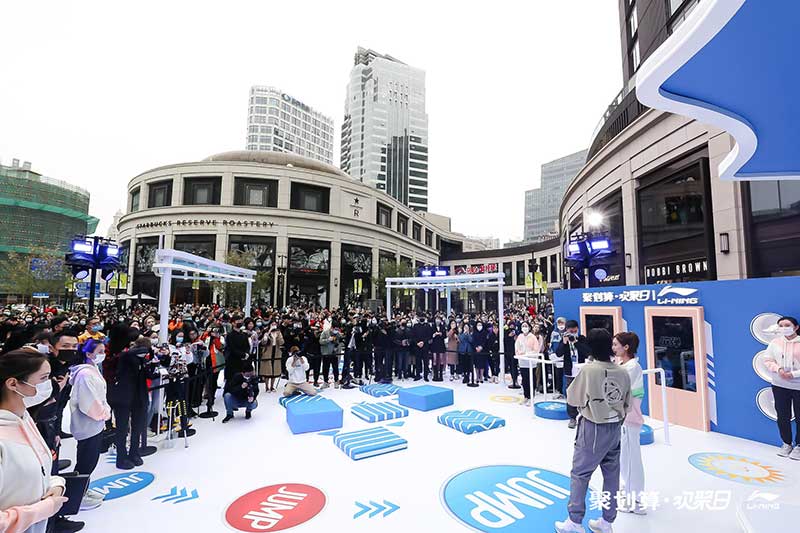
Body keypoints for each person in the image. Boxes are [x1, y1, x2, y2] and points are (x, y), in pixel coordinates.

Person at [556, 328, 631, 533]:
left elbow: (573, 398)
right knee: (612, 476)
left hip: (594, 427)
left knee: (580, 474)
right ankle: (607, 521)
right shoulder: (622, 372)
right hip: (615, 428)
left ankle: (574, 521)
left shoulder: (590, 370)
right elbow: (627, 403)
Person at [0, 349, 69, 533]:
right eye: (44, 378)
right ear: (13, 384)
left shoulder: (25, 419)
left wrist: (55, 484)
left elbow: (37, 471)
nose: (50, 384)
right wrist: (42, 510)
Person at [68, 339, 112, 511]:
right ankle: (77, 496)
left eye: (103, 351)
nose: (103, 354)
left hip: (95, 423)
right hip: (89, 424)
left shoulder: (92, 370)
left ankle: (83, 490)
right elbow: (88, 403)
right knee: (86, 462)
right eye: (99, 351)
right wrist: (104, 413)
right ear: (88, 354)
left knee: (90, 460)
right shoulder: (85, 375)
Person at [612, 332, 646, 514]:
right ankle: (628, 493)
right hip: (622, 418)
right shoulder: (623, 365)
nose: (613, 348)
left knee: (632, 459)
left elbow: (619, 389)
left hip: (630, 418)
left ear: (626, 347)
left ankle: (636, 500)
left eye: (616, 345)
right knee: (625, 458)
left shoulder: (632, 367)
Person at [763, 316, 800, 459]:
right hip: (779, 385)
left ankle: (799, 446)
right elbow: (768, 359)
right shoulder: (775, 343)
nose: (784, 328)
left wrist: (793, 374)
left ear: (796, 327)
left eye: (787, 325)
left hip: (798, 386)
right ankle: (786, 444)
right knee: (782, 416)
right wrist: (778, 369)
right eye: (781, 325)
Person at [557, 320, 591, 429]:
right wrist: (564, 342)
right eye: (571, 331)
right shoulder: (564, 340)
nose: (573, 333)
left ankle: (585, 415)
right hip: (569, 372)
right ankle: (572, 417)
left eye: (575, 331)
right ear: (566, 330)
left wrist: (576, 342)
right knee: (570, 395)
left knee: (584, 394)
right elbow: (558, 353)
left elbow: (588, 352)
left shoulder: (582, 339)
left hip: (582, 372)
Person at [515, 321, 541, 406]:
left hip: (531, 361)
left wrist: (528, 354)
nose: (524, 328)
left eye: (526, 326)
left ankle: (531, 397)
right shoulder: (520, 336)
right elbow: (517, 347)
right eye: (523, 326)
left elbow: (536, 349)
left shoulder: (532, 337)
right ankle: (526, 396)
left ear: (529, 327)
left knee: (531, 379)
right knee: (524, 379)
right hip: (522, 361)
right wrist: (519, 353)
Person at [260, 322, 284, 393]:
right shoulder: (266, 332)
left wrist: (277, 337)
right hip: (267, 352)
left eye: (275, 324)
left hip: (276, 352)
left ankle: (272, 386)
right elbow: (263, 342)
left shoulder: (278, 333)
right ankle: (267, 387)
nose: (274, 326)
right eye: (272, 324)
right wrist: (268, 332)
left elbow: (282, 342)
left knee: (274, 370)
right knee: (267, 371)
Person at [430, 318, 447, 382]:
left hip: (441, 345)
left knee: (441, 359)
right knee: (434, 359)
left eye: (439, 320)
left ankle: (441, 374)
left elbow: (445, 336)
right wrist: (434, 335)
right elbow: (430, 335)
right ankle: (435, 374)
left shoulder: (443, 327)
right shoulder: (432, 327)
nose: (438, 321)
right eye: (436, 320)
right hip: (434, 345)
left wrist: (441, 334)